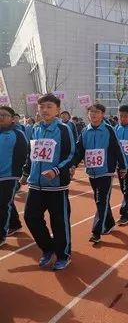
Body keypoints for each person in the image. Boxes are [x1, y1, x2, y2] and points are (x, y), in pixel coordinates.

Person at [20, 93, 75, 270]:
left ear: (58, 110)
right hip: (35, 183)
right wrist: (26, 172)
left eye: (49, 107)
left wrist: (56, 170)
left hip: (56, 185)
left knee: (59, 221)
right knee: (30, 217)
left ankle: (64, 255)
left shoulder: (64, 129)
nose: (45, 110)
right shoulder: (35, 128)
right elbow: (32, 154)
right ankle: (48, 248)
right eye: (42, 107)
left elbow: (71, 155)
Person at [71, 103, 126, 243]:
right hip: (92, 172)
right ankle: (110, 223)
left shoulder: (109, 130)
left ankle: (96, 231)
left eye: (97, 112)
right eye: (91, 112)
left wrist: (123, 166)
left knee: (101, 200)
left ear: (102, 114)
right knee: (100, 200)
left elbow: (117, 148)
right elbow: (80, 150)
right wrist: (73, 165)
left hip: (106, 170)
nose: (93, 114)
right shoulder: (85, 131)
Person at [0, 106, 28, 247]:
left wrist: (20, 173)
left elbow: (24, 154)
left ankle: (1, 235)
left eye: (4, 115)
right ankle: (15, 224)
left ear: (12, 118)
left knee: (3, 204)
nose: (1, 117)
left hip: (9, 176)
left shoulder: (17, 133)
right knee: (6, 202)